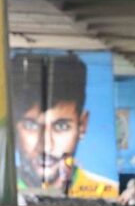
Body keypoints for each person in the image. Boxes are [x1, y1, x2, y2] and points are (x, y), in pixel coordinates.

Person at [10, 53, 116, 196]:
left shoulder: (106, 193)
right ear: (12, 126)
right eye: (31, 126)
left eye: (61, 127)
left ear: (82, 125)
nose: (46, 146)